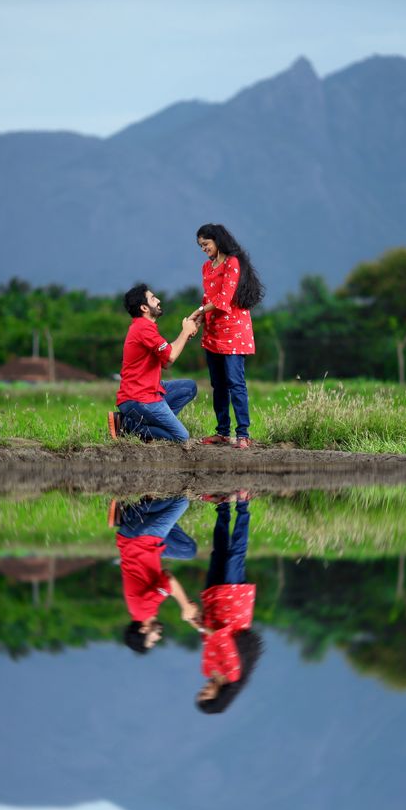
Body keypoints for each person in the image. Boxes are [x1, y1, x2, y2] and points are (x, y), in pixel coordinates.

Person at [189, 492, 263, 713]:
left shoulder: (206, 669)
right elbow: (223, 639)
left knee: (218, 554)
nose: (203, 690)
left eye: (200, 692)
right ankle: (243, 503)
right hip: (233, 605)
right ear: (218, 697)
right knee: (235, 556)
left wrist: (200, 621)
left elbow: (208, 640)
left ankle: (222, 506)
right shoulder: (233, 674)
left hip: (214, 603)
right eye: (206, 695)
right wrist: (200, 626)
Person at [195, 224, 265, 449]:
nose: (204, 249)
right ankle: (222, 432)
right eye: (201, 246)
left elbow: (224, 299)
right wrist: (199, 319)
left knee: (236, 383)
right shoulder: (207, 267)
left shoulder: (232, 263)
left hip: (234, 332)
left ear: (217, 240)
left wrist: (198, 312)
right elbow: (208, 298)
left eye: (206, 244)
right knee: (218, 384)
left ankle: (243, 433)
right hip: (213, 331)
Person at [109, 283, 202, 443]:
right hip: (139, 398)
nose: (158, 300)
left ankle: (153, 426)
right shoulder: (144, 329)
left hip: (150, 391)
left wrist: (185, 334)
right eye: (153, 298)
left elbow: (166, 362)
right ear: (144, 308)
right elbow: (171, 356)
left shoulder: (145, 328)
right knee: (182, 437)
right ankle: (127, 425)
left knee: (189, 387)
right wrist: (185, 331)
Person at [114, 496, 200, 654]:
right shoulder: (139, 611)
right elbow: (165, 576)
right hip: (144, 544)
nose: (158, 637)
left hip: (140, 539)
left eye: (152, 639)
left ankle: (134, 511)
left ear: (143, 630)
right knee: (189, 550)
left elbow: (169, 580)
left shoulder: (144, 610)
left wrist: (185, 606)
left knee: (182, 502)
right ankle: (134, 517)